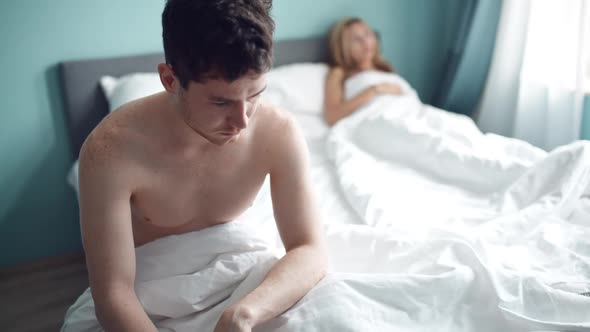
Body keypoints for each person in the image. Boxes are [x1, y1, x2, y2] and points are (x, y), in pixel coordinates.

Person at [75, 0, 327, 331]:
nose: (242, 122)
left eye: (254, 95)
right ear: (169, 79)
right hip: (145, 301)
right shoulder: (110, 150)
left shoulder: (278, 132)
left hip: (241, 283)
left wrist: (244, 313)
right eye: (221, 101)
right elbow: (113, 292)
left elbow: (310, 248)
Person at [324, 17, 404, 126]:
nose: (365, 42)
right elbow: (332, 117)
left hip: (402, 114)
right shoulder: (339, 73)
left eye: (368, 34)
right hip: (372, 121)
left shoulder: (385, 68)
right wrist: (375, 90)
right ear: (344, 47)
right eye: (357, 39)